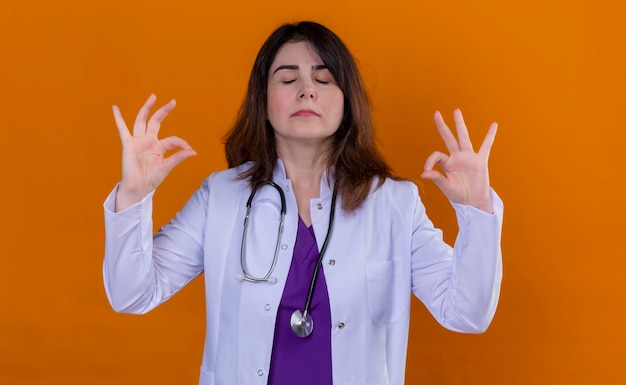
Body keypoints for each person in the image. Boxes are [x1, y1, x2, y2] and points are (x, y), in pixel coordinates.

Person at [103, 21, 503, 385]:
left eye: (324, 78)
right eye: (288, 78)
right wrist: (135, 195)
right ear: (263, 100)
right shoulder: (221, 198)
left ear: (347, 102)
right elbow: (132, 294)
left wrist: (477, 209)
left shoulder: (394, 204)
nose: (306, 89)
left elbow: (466, 313)